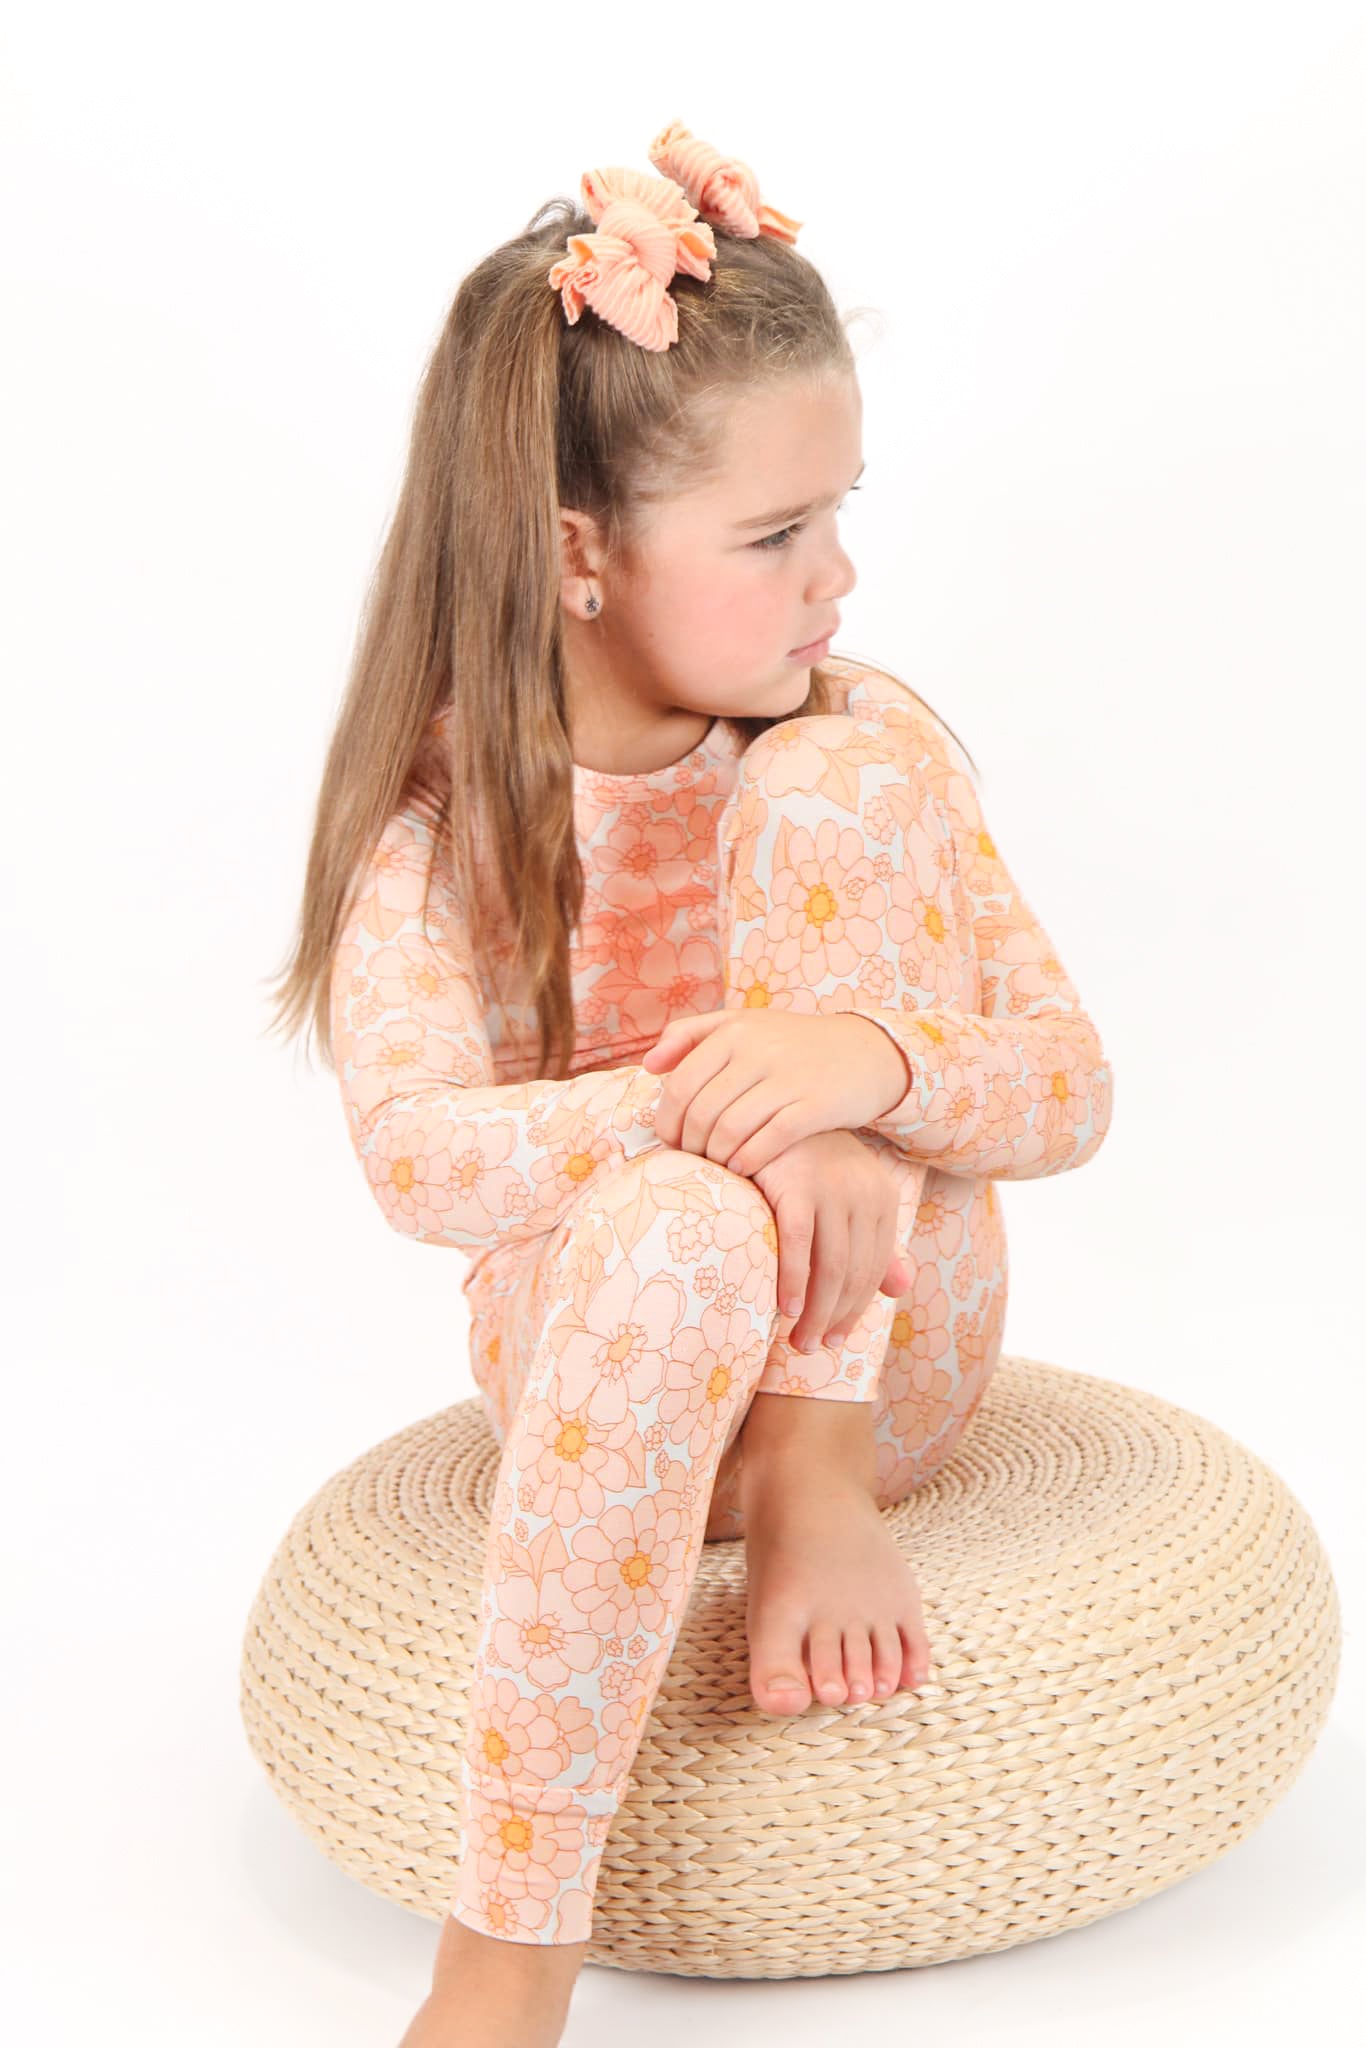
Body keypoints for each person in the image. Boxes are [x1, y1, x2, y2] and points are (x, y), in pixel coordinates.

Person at [266, 117, 1114, 2048]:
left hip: (892, 1355)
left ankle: (819, 1467)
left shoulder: (862, 740)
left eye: (837, 513)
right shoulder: (449, 813)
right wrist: (698, 1101)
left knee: (829, 782)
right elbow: (417, 1161)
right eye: (771, 536)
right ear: (577, 552)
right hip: (625, 1344)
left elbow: (1066, 1092)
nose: (837, 576)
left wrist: (859, 1061)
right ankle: (510, 1963)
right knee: (666, 1216)